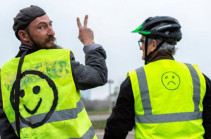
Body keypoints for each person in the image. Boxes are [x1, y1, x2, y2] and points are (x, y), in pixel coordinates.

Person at [0, 5, 107, 139]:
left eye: (50, 25)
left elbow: (7, 130)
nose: (51, 32)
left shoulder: (6, 73)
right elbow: (98, 76)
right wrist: (89, 43)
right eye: (42, 27)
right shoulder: (61, 60)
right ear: (23, 35)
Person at [104, 16, 211, 139]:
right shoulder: (197, 76)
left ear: (153, 45)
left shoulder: (135, 79)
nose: (140, 47)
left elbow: (116, 128)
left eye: (142, 41)